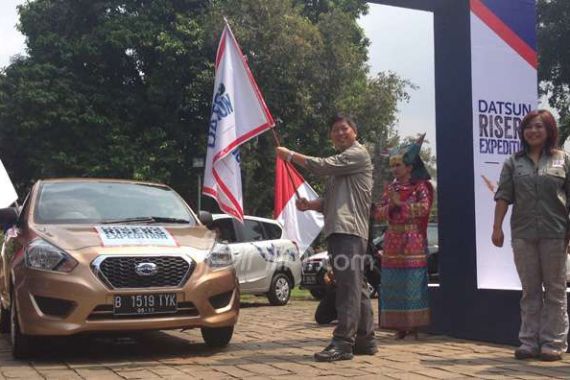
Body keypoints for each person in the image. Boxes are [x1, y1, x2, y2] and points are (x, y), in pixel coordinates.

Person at [276, 114, 377, 362]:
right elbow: (331, 202)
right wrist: (310, 204)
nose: (340, 133)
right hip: (342, 230)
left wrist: (289, 155)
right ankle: (365, 338)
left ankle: (343, 342)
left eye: (345, 129)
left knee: (347, 287)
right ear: (331, 137)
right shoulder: (341, 169)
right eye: (335, 130)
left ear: (355, 132)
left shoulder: (356, 154)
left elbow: (320, 165)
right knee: (357, 286)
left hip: (348, 231)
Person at [492, 109, 569, 361]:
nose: (533, 131)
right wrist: (497, 227)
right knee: (530, 290)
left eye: (538, 127)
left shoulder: (562, 160)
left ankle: (553, 343)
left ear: (549, 130)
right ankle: (528, 342)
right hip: (523, 234)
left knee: (555, 289)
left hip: (556, 233)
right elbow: (503, 196)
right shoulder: (513, 162)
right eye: (528, 127)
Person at [374, 134, 433, 339]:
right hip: (392, 241)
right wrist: (391, 205)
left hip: (412, 240)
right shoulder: (391, 189)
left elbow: (425, 209)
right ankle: (399, 325)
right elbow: (379, 212)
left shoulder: (420, 187)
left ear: (409, 167)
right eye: (393, 165)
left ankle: (414, 326)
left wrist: (401, 205)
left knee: (412, 282)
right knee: (393, 282)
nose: (395, 169)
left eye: (398, 165)